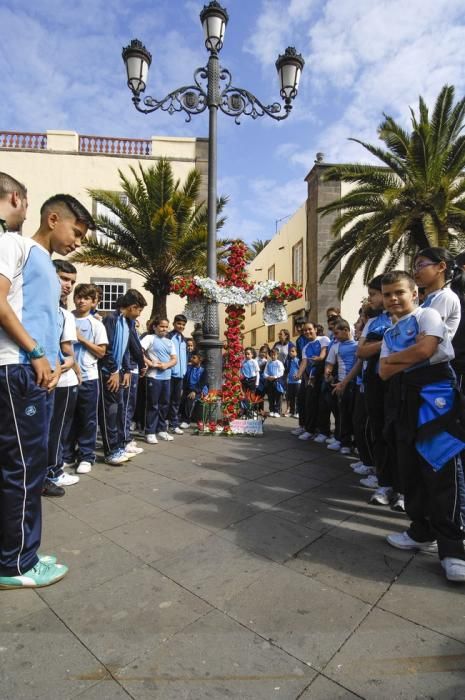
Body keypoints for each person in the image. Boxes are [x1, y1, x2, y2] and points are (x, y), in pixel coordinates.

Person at [0, 193, 94, 589]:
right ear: (53, 219)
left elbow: (37, 316)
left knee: (29, 465)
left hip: (34, 374)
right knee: (22, 468)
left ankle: (22, 552)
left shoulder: (41, 260)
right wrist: (36, 352)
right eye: (77, 231)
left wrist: (52, 362)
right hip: (19, 371)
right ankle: (16, 564)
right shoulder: (14, 244)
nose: (78, 242)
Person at [379, 270, 465, 583]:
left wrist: (398, 360)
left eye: (399, 292)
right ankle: (419, 530)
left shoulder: (428, 315)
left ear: (415, 293)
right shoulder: (389, 333)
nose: (393, 299)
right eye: (388, 294)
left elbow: (427, 350)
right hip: (404, 398)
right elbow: (383, 373)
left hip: (435, 397)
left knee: (440, 467)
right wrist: (406, 357)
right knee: (410, 469)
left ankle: (453, 549)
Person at [356, 275, 397, 507]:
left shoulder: (412, 317)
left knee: (399, 435)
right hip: (374, 381)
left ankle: (403, 489)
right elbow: (361, 352)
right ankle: (385, 483)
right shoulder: (374, 322)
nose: (371, 299)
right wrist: (387, 341)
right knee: (379, 431)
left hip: (400, 382)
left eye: (373, 294)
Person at [43, 261, 80, 496]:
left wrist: (70, 365)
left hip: (59, 380)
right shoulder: (34, 307)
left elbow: (67, 350)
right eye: (64, 278)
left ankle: (52, 471)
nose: (68, 285)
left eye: (72, 282)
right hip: (38, 378)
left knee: (56, 430)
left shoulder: (64, 314)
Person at [63, 283, 109, 473]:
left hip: (89, 378)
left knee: (88, 419)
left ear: (93, 302)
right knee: (67, 419)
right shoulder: (66, 318)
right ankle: (66, 455)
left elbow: (101, 352)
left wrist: (82, 339)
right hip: (66, 377)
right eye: (79, 296)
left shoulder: (97, 324)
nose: (81, 300)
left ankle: (86, 456)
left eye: (86, 298)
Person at [98, 289, 147, 464]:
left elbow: (126, 348)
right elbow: (108, 348)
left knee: (118, 411)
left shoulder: (126, 322)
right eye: (139, 310)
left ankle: (118, 446)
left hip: (118, 372)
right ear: (133, 307)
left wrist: (126, 369)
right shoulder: (111, 319)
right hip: (108, 373)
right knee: (109, 413)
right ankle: (110, 451)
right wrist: (113, 371)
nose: (139, 314)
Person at [141, 317, 177, 443]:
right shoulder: (149, 338)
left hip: (167, 377)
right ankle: (150, 432)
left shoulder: (169, 342)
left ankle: (162, 430)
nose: (164, 329)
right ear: (155, 327)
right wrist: (149, 363)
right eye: (162, 326)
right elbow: (139, 352)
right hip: (153, 377)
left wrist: (166, 365)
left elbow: (174, 359)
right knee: (153, 405)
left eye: (166, 327)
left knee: (164, 404)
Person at [295, 322, 330, 440]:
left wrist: (320, 358)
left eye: (309, 329)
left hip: (325, 376)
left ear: (315, 329)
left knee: (323, 404)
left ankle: (324, 432)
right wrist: (298, 374)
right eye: (305, 330)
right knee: (310, 403)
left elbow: (324, 352)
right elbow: (304, 362)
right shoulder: (305, 347)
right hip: (312, 377)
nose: (307, 332)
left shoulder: (323, 339)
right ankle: (310, 429)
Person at [167, 314, 188, 435]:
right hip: (169, 374)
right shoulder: (169, 336)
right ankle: (163, 423)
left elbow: (184, 357)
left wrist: (184, 371)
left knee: (176, 401)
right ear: (174, 323)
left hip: (180, 375)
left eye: (183, 325)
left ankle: (173, 424)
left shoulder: (184, 339)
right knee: (166, 400)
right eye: (179, 323)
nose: (181, 326)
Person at [180, 351, 206, 425]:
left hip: (197, 391)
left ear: (200, 359)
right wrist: (182, 389)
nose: (191, 359)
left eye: (194, 358)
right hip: (187, 389)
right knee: (180, 398)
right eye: (191, 357)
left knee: (190, 399)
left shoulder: (203, 370)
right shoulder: (189, 368)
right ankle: (179, 418)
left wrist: (195, 391)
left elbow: (202, 383)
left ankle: (186, 421)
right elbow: (185, 380)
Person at [264, 347, 285, 417]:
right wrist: (268, 377)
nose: (273, 356)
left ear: (277, 355)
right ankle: (272, 410)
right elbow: (265, 372)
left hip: (277, 381)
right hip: (270, 381)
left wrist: (275, 377)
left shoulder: (279, 363)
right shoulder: (268, 363)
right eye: (271, 355)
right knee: (270, 397)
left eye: (274, 355)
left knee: (278, 397)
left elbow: (281, 372)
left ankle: (277, 411)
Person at [284, 345, 300, 418]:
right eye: (290, 351)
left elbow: (301, 369)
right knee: (291, 397)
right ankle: (292, 411)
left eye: (293, 351)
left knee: (297, 397)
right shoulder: (289, 361)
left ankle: (297, 412)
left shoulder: (298, 360)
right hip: (290, 382)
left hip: (297, 382)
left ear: (297, 352)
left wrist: (298, 375)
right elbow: (288, 370)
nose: (291, 352)